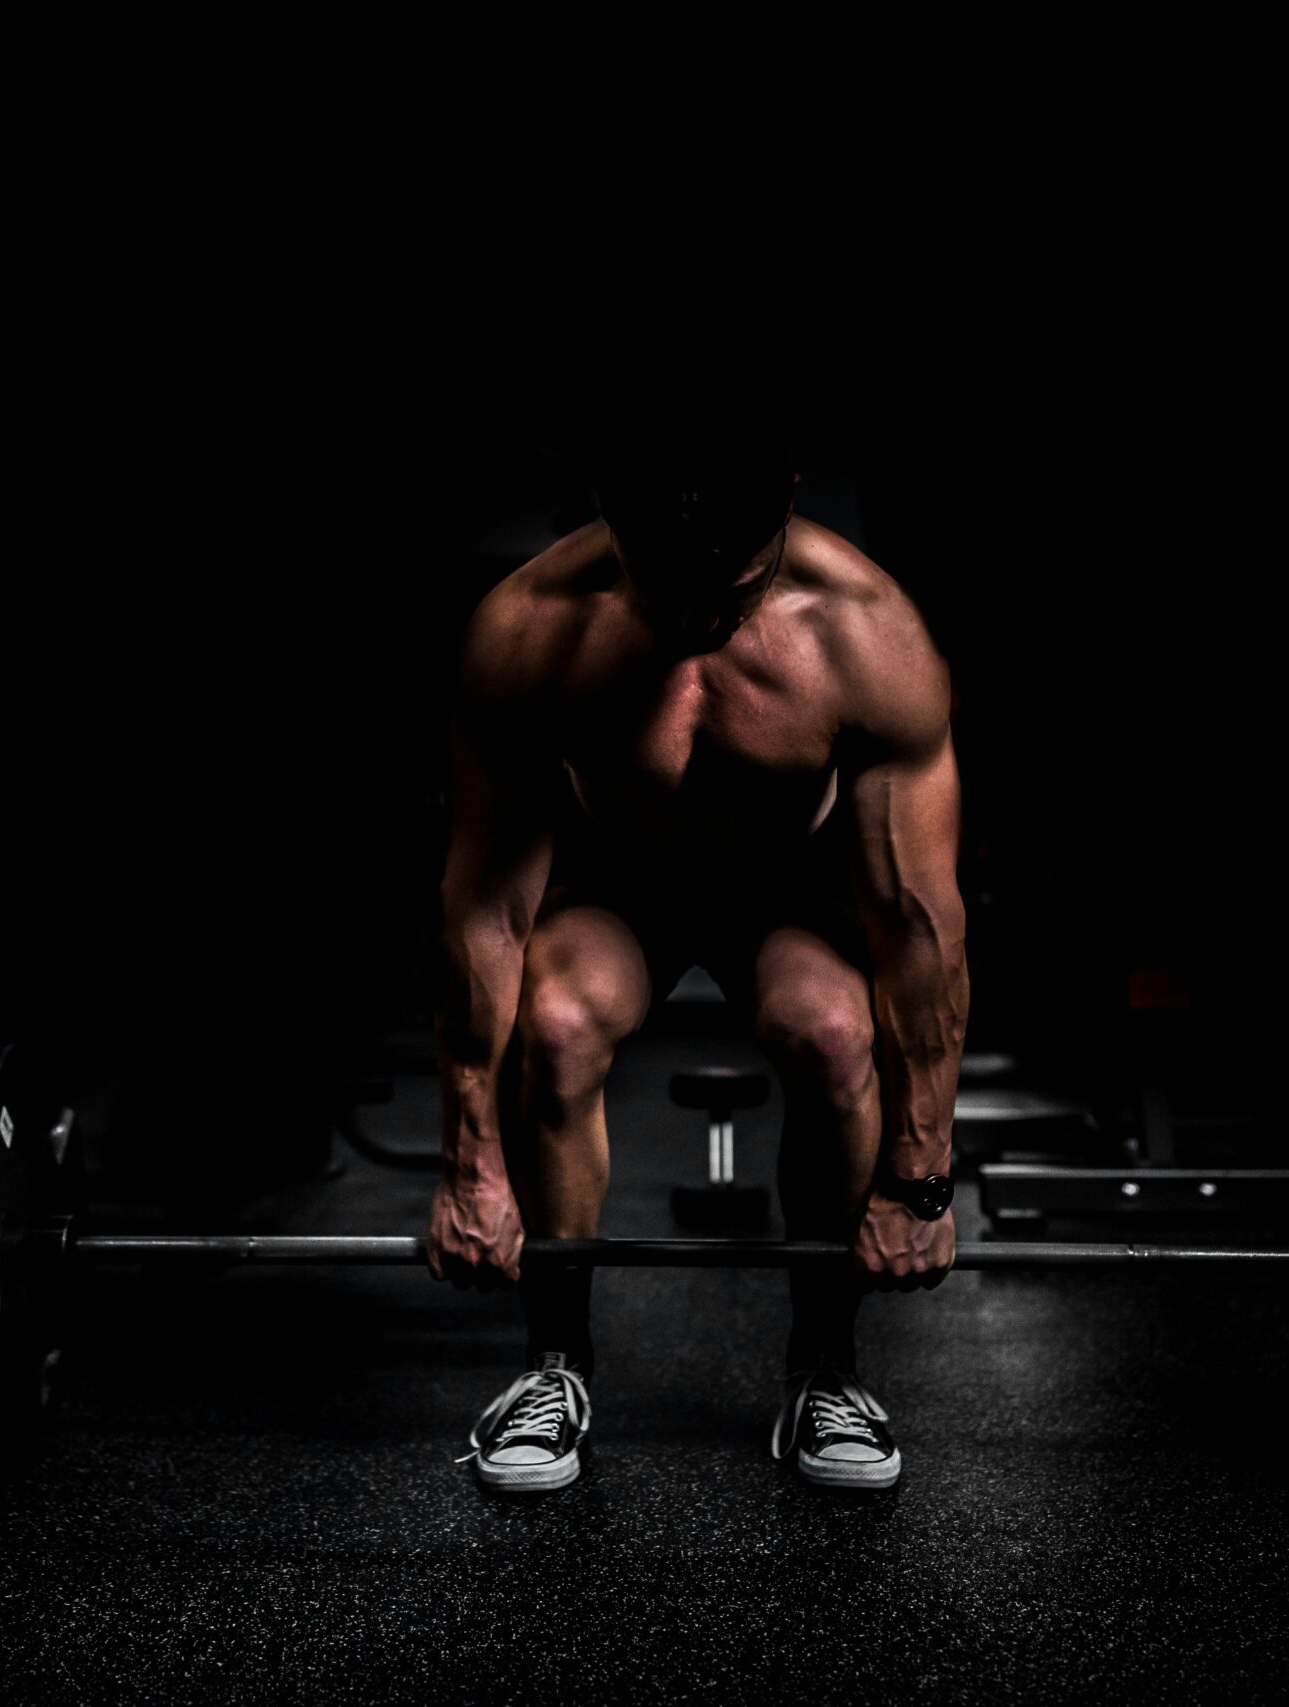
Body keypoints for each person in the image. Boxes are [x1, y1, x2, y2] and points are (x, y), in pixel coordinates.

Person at [428, 422, 968, 1492]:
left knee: (834, 1033)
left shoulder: (868, 635)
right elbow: (485, 908)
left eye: (736, 585)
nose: (697, 619)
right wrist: (469, 1165)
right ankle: (553, 1365)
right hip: (619, 884)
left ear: (789, 500)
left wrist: (918, 1183)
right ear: (606, 511)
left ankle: (825, 1369)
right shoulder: (530, 628)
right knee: (555, 1023)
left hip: (790, 890)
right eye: (665, 584)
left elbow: (916, 925)